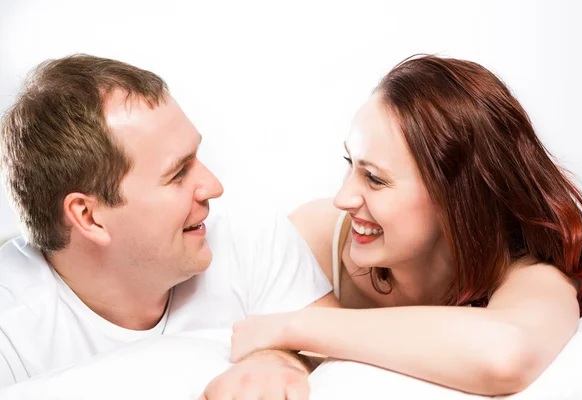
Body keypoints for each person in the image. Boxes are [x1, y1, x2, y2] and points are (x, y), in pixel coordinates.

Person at [230, 55, 582, 396]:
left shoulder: (527, 271)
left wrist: (298, 327)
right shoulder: (318, 235)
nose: (343, 198)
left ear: (457, 200)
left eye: (375, 179)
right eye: (350, 163)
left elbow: (504, 356)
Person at [0, 54, 336, 398]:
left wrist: (279, 359)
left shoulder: (255, 240)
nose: (214, 187)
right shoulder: (11, 324)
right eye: (178, 174)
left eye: (196, 158)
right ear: (88, 217)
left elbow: (331, 343)